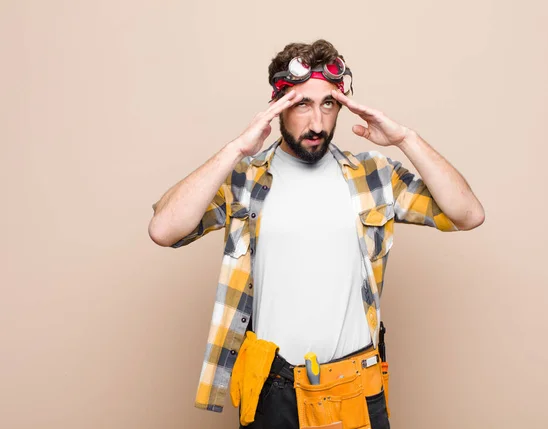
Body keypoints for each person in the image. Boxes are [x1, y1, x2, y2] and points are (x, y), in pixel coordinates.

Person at [148, 39, 484, 429]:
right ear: (278, 107)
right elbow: (164, 229)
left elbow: (468, 213)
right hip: (272, 388)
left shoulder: (373, 176)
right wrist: (237, 149)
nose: (317, 123)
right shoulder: (242, 179)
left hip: (356, 386)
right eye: (301, 104)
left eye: (328, 103)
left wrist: (405, 139)